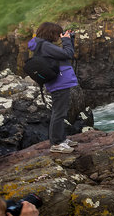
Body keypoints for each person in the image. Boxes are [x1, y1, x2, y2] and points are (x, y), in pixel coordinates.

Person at [28, 22, 80, 153]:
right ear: (50, 33)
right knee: (59, 112)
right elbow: (67, 54)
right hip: (59, 81)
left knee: (60, 111)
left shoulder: (42, 45)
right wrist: (67, 40)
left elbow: (66, 53)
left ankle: (61, 139)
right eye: (57, 33)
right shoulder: (45, 46)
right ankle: (56, 143)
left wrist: (70, 40)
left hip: (59, 80)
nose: (58, 36)